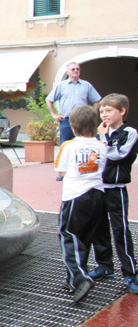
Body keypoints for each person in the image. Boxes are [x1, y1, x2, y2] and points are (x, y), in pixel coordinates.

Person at [53, 105, 109, 305]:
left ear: (73, 127)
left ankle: (79, 277)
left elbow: (60, 171)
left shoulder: (69, 146)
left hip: (76, 196)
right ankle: (73, 279)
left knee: (68, 236)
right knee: (84, 237)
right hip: (98, 195)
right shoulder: (102, 145)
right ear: (95, 126)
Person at [88, 94, 138, 294]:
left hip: (116, 189)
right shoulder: (99, 134)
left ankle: (130, 272)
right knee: (98, 228)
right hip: (98, 188)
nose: (104, 115)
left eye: (109, 110)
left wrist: (102, 139)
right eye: (101, 111)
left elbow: (118, 154)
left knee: (120, 229)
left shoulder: (129, 132)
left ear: (122, 111)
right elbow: (93, 156)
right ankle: (105, 266)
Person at [46, 62, 102, 180]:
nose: (76, 71)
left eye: (77, 69)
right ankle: (61, 172)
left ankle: (86, 167)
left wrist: (93, 113)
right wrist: (54, 114)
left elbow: (97, 100)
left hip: (83, 121)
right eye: (73, 69)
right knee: (64, 145)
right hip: (66, 120)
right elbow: (49, 99)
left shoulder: (86, 85)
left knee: (84, 144)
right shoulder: (61, 86)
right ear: (68, 72)